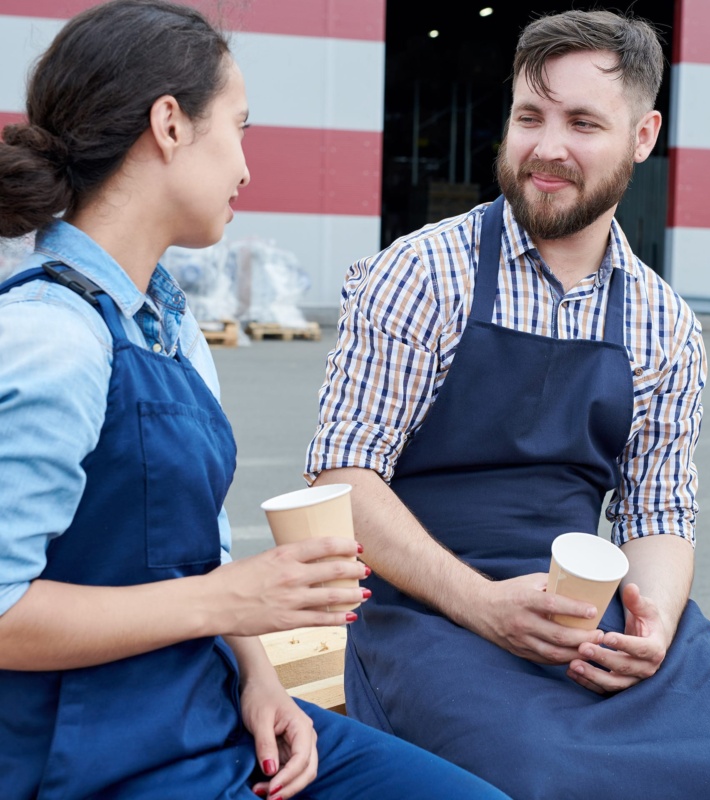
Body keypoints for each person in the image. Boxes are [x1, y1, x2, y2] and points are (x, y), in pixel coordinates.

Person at [0, 3, 515, 799]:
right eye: (239, 127)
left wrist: (261, 675)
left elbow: (194, 559)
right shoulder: (54, 337)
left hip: (202, 706)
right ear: (170, 124)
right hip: (90, 755)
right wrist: (231, 597)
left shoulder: (172, 327)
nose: (246, 166)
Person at [306, 8, 710, 798]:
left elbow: (657, 514)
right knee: (548, 777)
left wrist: (655, 623)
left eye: (582, 122)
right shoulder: (424, 273)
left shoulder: (664, 324)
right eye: (529, 116)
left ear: (643, 137)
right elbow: (341, 477)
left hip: (579, 617)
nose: (546, 147)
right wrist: (477, 604)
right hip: (423, 615)